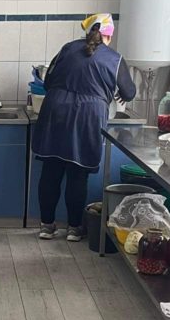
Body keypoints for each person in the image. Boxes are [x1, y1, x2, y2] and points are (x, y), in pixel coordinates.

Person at [31, 13, 136, 241]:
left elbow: (47, 82)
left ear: (87, 30)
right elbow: (129, 92)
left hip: (55, 112)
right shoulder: (115, 59)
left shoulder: (68, 48)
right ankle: (74, 228)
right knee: (78, 174)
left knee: (51, 171)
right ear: (110, 35)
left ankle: (46, 226)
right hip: (88, 117)